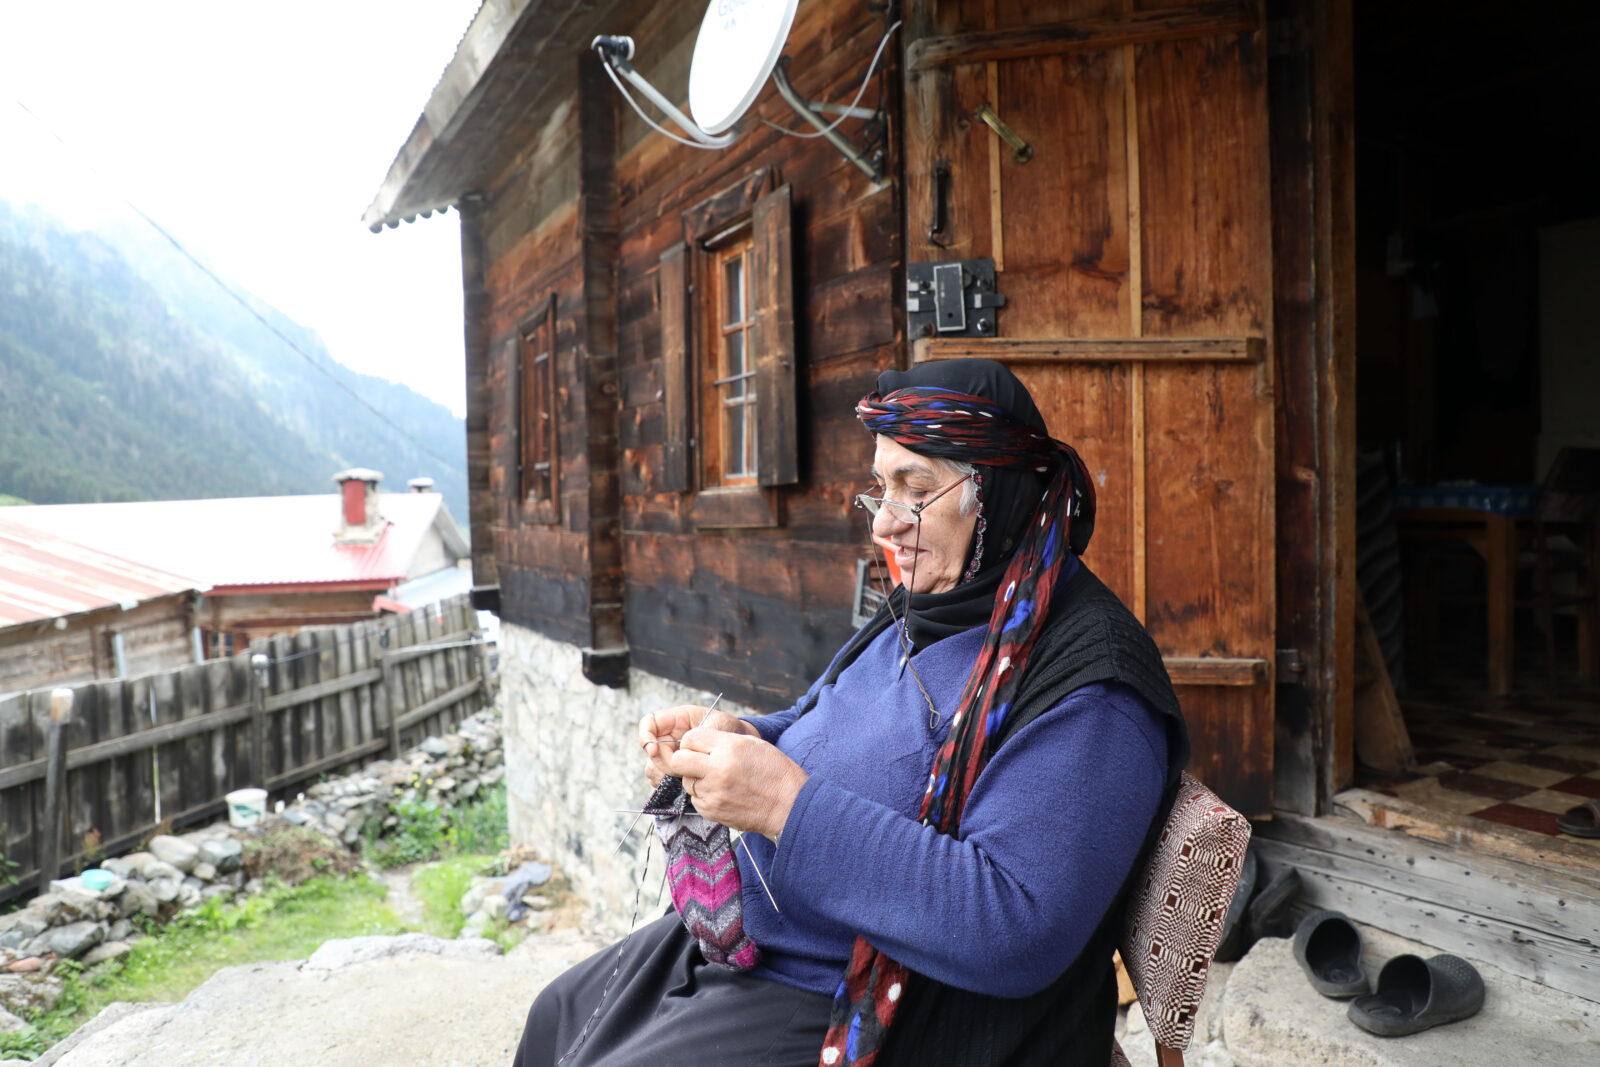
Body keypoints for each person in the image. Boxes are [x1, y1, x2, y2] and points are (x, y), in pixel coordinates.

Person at [512, 358, 1188, 1067]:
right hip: (763, 937)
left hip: (870, 1000)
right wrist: (743, 739)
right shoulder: (931, 606)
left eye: (915, 490)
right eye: (880, 490)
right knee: (557, 1012)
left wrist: (782, 804)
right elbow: (825, 718)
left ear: (997, 494)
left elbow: (1017, 924)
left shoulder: (1091, 681)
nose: (886, 526)